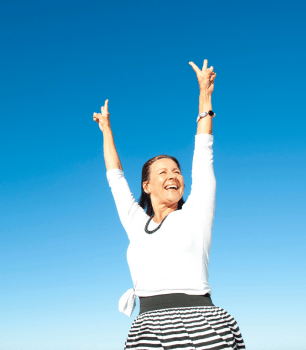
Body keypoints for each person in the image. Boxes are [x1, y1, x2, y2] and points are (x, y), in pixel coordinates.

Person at [92, 60, 246, 349]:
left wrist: (205, 96)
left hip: (200, 324)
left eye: (176, 171)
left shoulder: (195, 214)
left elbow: (203, 152)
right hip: (146, 329)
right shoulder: (138, 225)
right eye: (162, 172)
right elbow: (115, 179)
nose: (173, 175)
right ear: (146, 186)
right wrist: (106, 131)